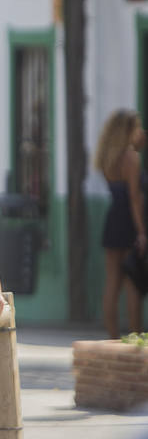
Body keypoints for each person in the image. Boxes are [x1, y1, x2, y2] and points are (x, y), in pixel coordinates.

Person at [94, 109, 147, 338]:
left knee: (112, 283)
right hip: (128, 223)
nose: (140, 132)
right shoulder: (130, 158)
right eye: (137, 128)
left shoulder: (108, 157)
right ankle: (136, 338)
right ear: (128, 130)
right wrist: (141, 232)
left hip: (112, 220)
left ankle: (113, 338)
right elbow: (134, 198)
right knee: (132, 282)